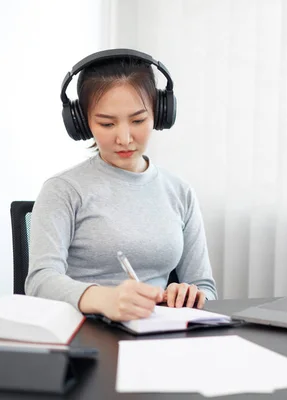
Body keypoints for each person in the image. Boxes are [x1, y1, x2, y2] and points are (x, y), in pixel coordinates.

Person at [25, 49, 217, 321]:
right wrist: (103, 298)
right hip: (83, 332)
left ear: (160, 114)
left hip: (156, 334)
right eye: (106, 123)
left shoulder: (180, 192)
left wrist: (191, 294)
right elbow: (39, 282)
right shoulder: (63, 190)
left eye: (138, 120)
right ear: (82, 122)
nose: (124, 138)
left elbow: (206, 288)